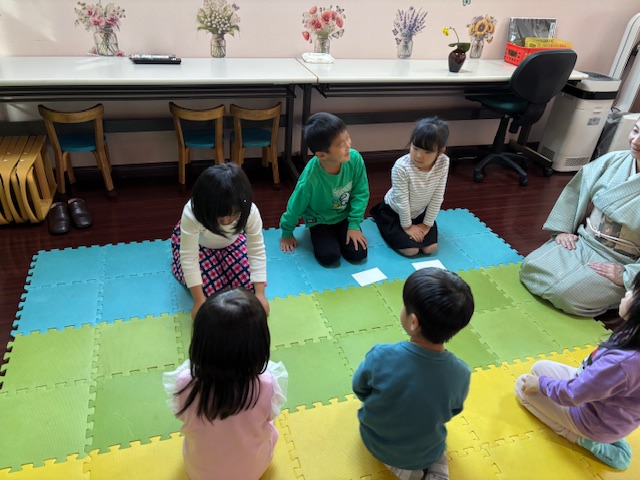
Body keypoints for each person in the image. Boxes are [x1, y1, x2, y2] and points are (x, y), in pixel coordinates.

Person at [352, 267, 474, 480]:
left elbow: (359, 388)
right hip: (428, 443)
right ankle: (433, 468)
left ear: (413, 322)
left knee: (406, 459)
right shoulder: (461, 373)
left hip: (380, 442)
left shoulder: (381, 356)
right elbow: (453, 411)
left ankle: (408, 471)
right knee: (436, 446)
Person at [515, 271, 640, 471]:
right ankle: (611, 433)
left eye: (634, 292)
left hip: (591, 419)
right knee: (538, 368)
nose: (627, 293)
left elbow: (574, 394)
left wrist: (541, 385)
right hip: (610, 411)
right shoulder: (634, 334)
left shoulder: (623, 363)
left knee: (521, 387)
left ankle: (582, 438)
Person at [162, 288, 288, 480]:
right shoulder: (266, 384)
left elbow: (183, 416)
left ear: (200, 342)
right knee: (270, 427)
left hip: (199, 473)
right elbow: (269, 416)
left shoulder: (185, 381)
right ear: (259, 345)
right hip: (251, 472)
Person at [520, 120, 640, 317]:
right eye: (635, 131)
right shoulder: (613, 161)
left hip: (621, 260)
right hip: (584, 241)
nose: (636, 141)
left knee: (566, 293)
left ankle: (625, 297)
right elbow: (576, 191)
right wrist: (563, 229)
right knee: (531, 267)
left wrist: (628, 276)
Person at [171, 163, 268, 319]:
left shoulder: (250, 211)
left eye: (232, 215)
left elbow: (256, 250)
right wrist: (199, 301)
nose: (225, 221)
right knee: (214, 298)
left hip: (232, 243)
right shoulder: (192, 212)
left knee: (247, 290)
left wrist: (260, 294)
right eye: (220, 216)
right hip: (200, 246)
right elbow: (189, 257)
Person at [279, 112, 370, 266]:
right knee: (329, 257)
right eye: (341, 144)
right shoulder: (310, 178)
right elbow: (295, 206)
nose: (348, 145)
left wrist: (354, 224)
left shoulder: (355, 159)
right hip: (319, 220)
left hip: (344, 216)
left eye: (347, 137)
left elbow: (361, 192)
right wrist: (287, 233)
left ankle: (342, 232)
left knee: (358, 254)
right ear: (322, 155)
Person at [370, 117, 450, 256]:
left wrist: (426, 224)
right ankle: (380, 217)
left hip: (419, 212)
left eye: (427, 152)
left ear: (440, 151)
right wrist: (407, 227)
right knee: (411, 250)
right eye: (415, 148)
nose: (419, 156)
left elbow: (438, 196)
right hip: (395, 212)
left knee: (430, 248)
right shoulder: (401, 167)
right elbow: (402, 201)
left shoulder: (443, 162)